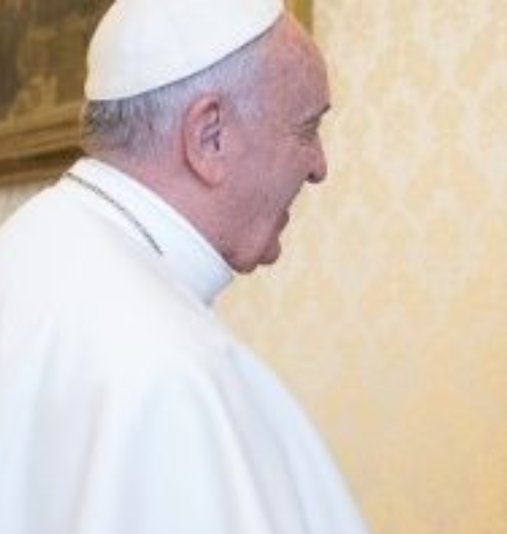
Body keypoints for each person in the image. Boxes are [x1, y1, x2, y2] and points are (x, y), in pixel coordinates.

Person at [0, 0, 369, 533]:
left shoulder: (25, 249)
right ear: (209, 135)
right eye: (306, 129)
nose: (319, 167)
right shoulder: (170, 375)